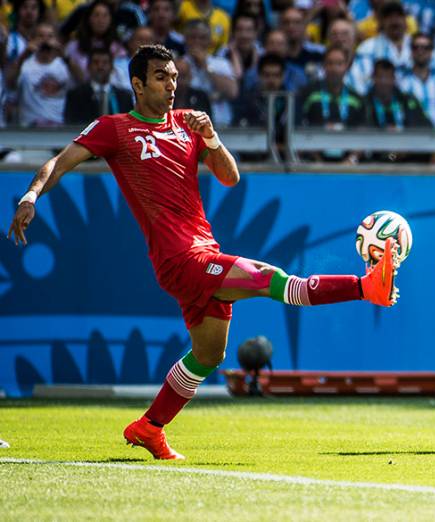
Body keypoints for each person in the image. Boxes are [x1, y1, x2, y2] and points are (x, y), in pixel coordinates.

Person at [6, 44, 400, 460]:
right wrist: (30, 195)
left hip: (203, 249)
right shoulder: (114, 128)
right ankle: (365, 287)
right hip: (181, 260)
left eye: (175, 76)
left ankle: (149, 427)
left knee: (209, 354)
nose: (172, 84)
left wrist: (211, 136)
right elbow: (59, 162)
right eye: (161, 76)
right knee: (273, 280)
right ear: (137, 84)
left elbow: (230, 178)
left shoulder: (187, 125)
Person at [64, 48, 133, 124]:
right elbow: (70, 125)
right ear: (88, 66)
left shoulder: (124, 97)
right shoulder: (75, 96)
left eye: (105, 63)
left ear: (112, 67)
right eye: (96, 62)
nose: (100, 66)